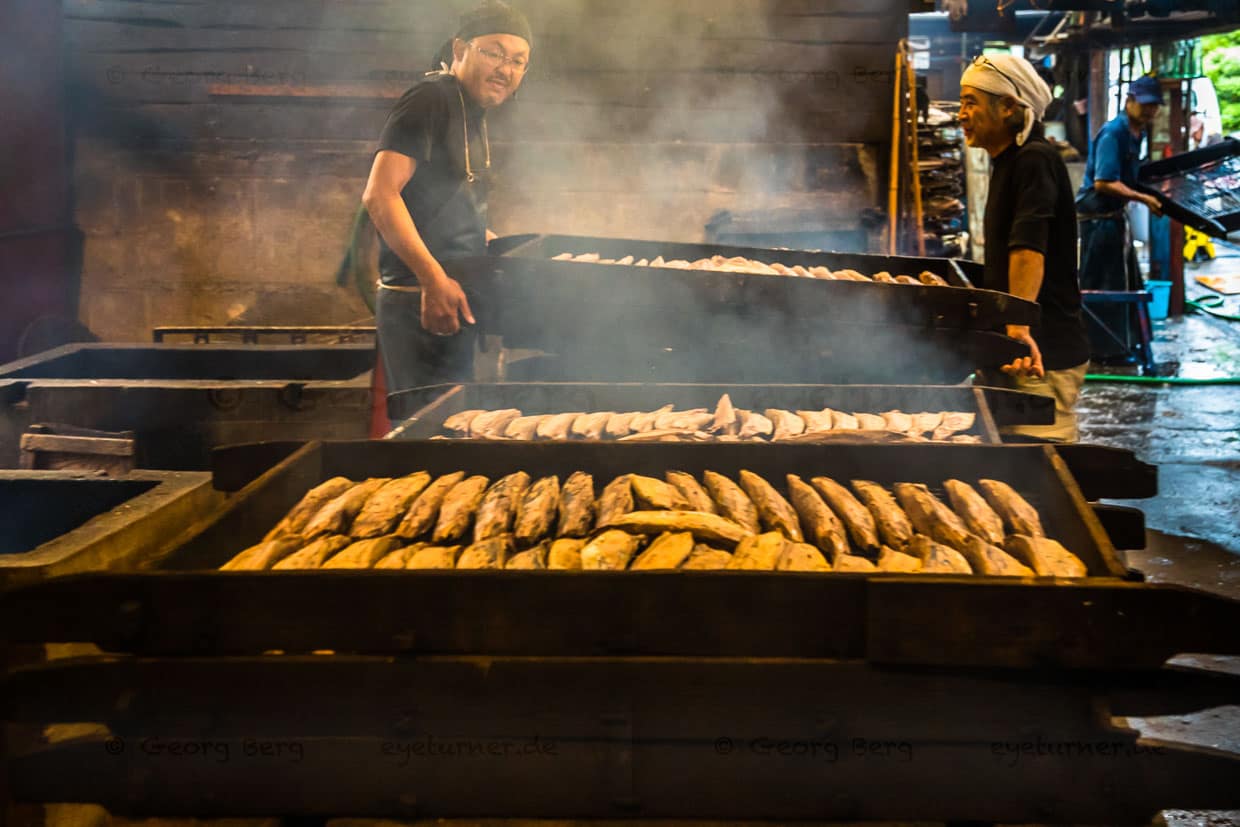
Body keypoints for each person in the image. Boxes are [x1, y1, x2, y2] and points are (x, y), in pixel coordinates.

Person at [361, 1, 532, 407]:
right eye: (494, 53)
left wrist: (479, 235)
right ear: (459, 49)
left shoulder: (469, 108)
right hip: (420, 296)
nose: (505, 69)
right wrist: (433, 279)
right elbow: (380, 194)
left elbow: (433, 197)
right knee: (426, 429)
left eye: (518, 61)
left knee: (451, 423)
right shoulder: (430, 98)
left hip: (449, 292)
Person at [959, 54, 1091, 442]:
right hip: (1020, 347)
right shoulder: (1009, 161)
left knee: (1042, 459)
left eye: (971, 103)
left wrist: (1018, 328)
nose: (961, 114)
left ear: (1008, 107)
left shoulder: (1034, 159)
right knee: (1011, 453)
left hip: (1040, 353)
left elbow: (1028, 248)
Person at [1075, 75, 1164, 362]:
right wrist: (1144, 199)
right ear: (1129, 101)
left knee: (1124, 282)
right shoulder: (1114, 133)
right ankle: (1102, 351)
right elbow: (1104, 182)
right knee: (1103, 285)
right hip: (1097, 219)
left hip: (1113, 216)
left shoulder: (1138, 133)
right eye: (1145, 104)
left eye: (1154, 106)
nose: (1150, 111)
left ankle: (1123, 344)